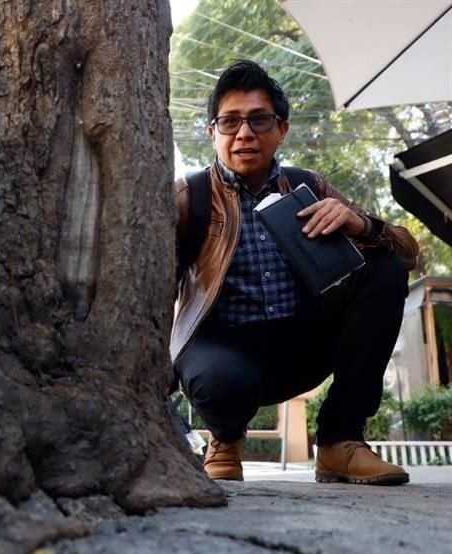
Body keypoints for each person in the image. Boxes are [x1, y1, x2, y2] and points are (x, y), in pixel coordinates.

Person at [172, 60, 420, 484]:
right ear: (212, 133)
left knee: (384, 267)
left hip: (300, 345)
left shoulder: (309, 185)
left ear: (281, 129)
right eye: (230, 122)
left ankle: (341, 441)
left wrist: (362, 224)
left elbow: (410, 255)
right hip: (221, 351)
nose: (244, 133)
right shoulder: (187, 197)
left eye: (259, 119)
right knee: (221, 383)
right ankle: (225, 439)